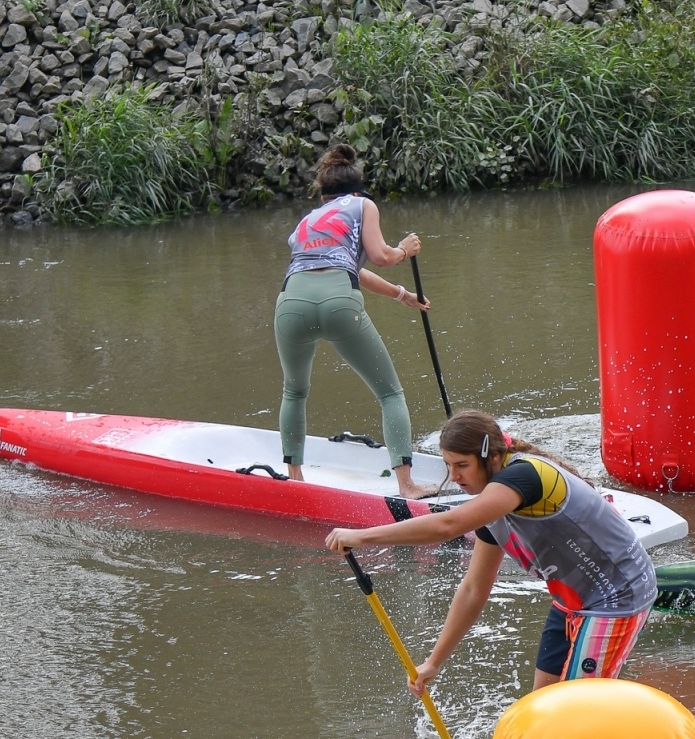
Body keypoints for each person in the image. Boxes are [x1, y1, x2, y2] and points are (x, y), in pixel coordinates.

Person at [325, 409, 657, 696]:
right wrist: (434, 662)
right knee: (540, 708)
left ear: (492, 458)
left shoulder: (526, 476)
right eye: (447, 465)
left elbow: (447, 526)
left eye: (462, 465)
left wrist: (363, 536)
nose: (454, 476)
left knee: (574, 713)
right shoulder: (491, 505)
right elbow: (473, 588)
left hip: (618, 596)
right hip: (573, 598)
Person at [276, 143, 435, 499]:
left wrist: (402, 295)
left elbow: (352, 267)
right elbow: (380, 257)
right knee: (390, 393)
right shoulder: (364, 204)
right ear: (357, 190)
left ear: (324, 194)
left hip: (290, 304)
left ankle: (295, 479)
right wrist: (404, 250)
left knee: (294, 391)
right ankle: (406, 486)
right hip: (338, 304)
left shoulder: (307, 220)